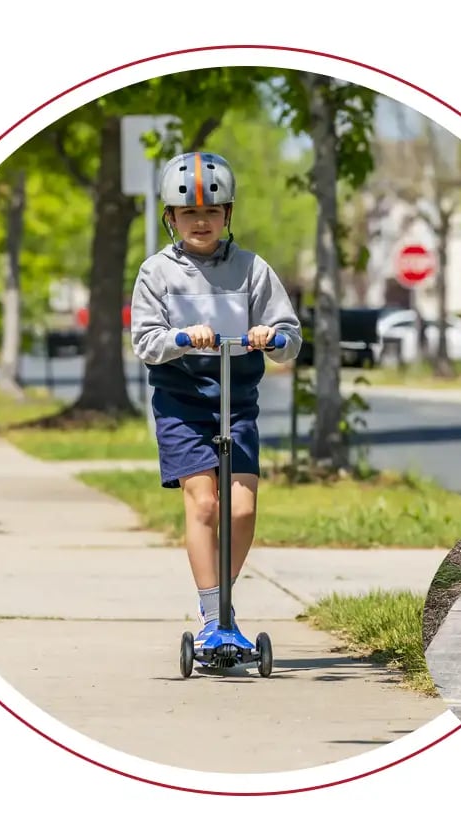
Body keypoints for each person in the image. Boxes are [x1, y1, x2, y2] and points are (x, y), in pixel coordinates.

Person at [130, 151, 302, 649]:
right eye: (188, 213)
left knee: (242, 510)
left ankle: (221, 603)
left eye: (211, 211)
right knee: (204, 502)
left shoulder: (252, 269)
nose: (200, 221)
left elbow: (291, 337)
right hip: (182, 401)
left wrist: (271, 336)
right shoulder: (156, 273)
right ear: (171, 218)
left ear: (228, 215)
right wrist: (181, 338)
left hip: (237, 399)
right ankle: (213, 620)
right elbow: (145, 341)